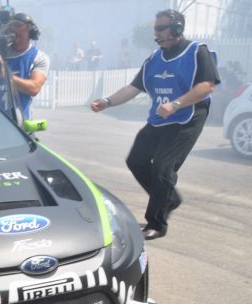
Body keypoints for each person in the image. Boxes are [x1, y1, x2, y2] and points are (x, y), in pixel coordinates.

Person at [91, 9, 220, 240]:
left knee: (163, 166)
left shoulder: (197, 52)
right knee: (136, 160)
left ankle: (157, 223)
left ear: (178, 29)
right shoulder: (153, 59)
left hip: (187, 118)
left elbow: (207, 86)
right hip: (160, 119)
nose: (157, 33)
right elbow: (133, 88)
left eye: (161, 28)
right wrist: (107, 101)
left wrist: (176, 103)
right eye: (155, 29)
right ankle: (169, 199)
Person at [0, 13, 50, 121]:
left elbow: (34, 88)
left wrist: (6, 74)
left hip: (19, 125)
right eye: (10, 26)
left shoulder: (39, 57)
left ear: (30, 29)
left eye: (17, 25)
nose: (13, 30)